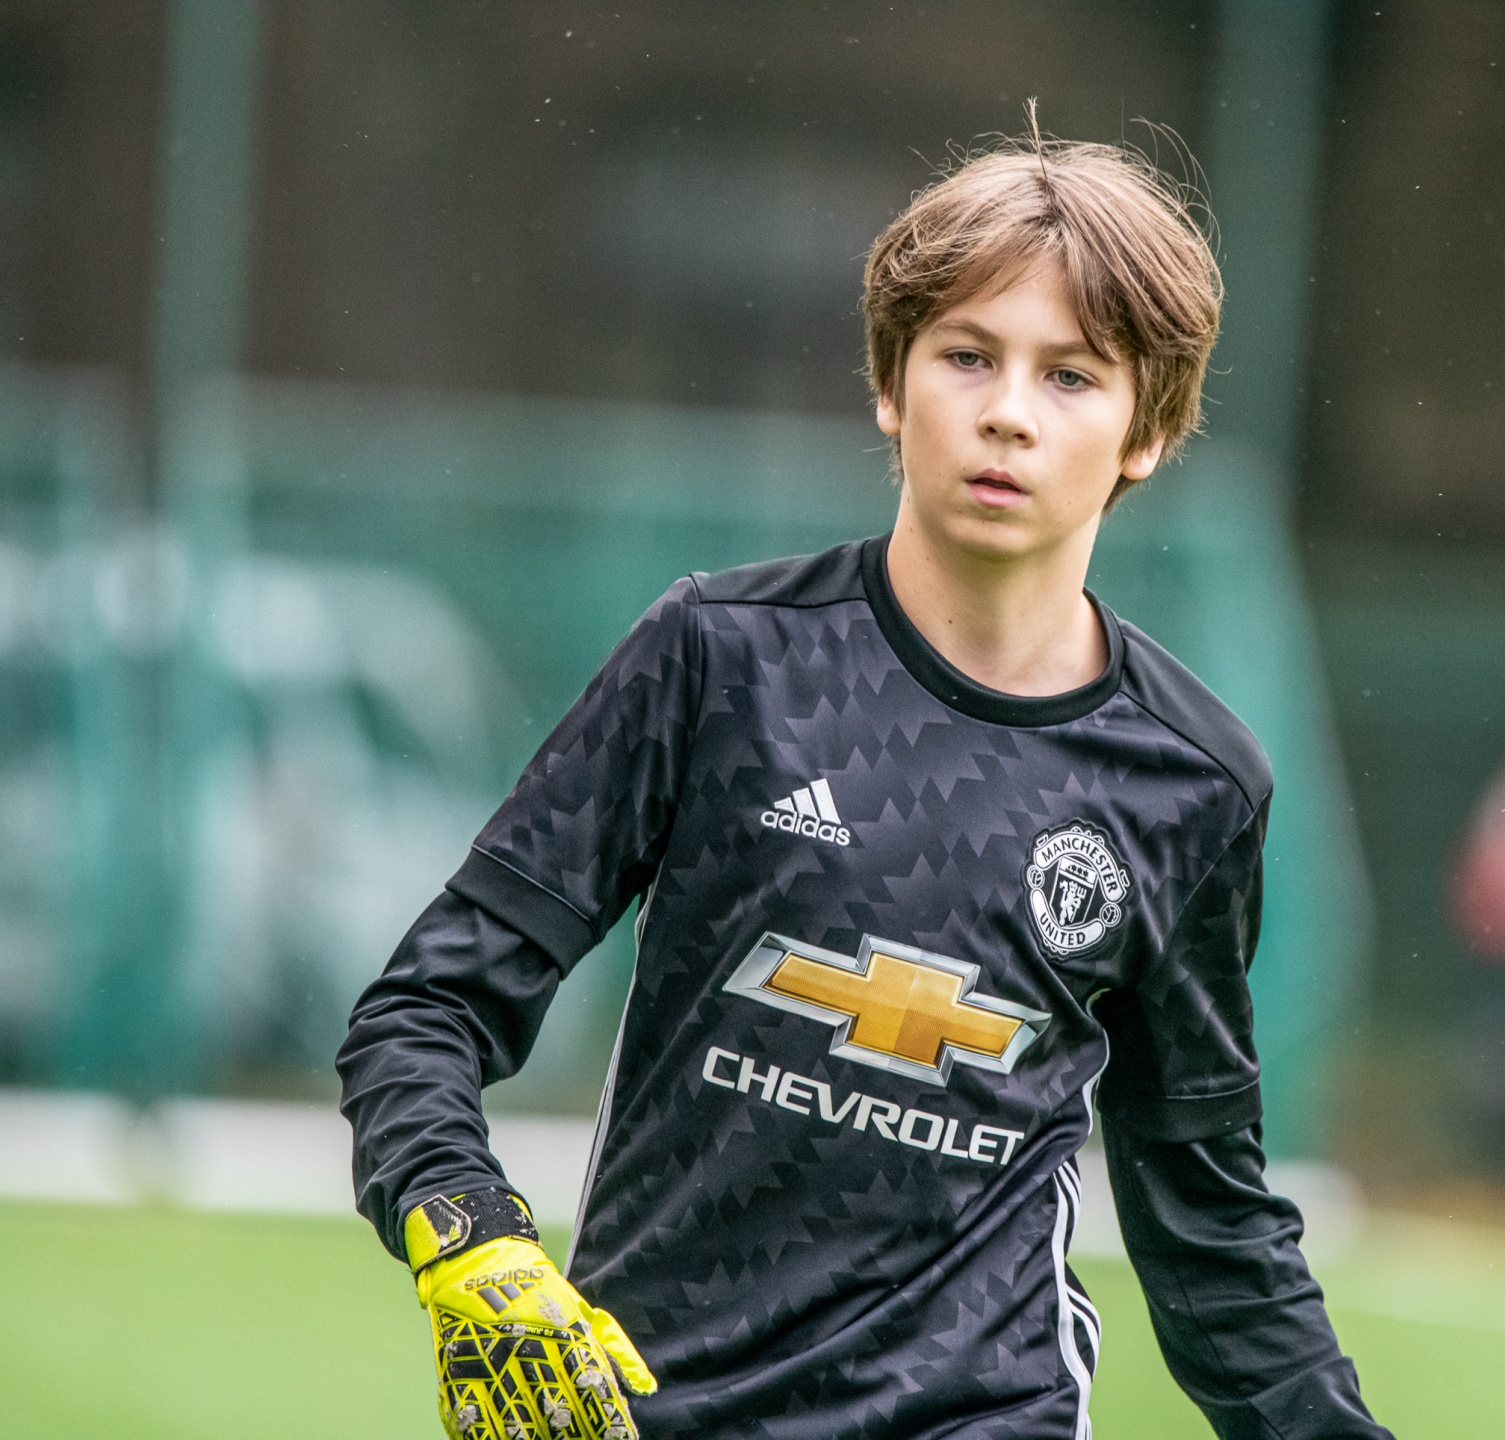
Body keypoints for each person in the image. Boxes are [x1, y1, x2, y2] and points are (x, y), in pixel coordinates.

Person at [337, 122, 1393, 1440]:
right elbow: (424, 1010)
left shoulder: (1191, 783)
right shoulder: (720, 659)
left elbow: (1212, 1232)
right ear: (891, 387)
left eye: (1072, 375)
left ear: (1148, 432)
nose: (1008, 411)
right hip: (656, 1408)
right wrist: (469, 1235)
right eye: (967, 356)